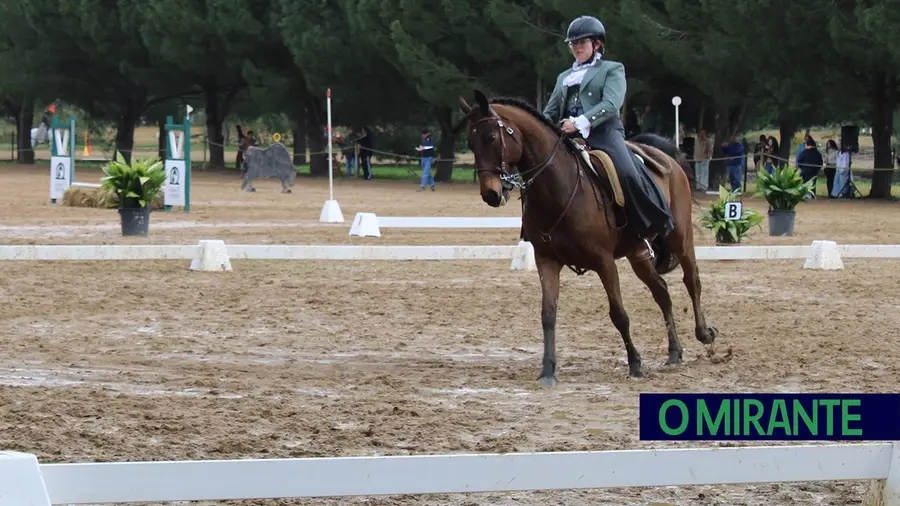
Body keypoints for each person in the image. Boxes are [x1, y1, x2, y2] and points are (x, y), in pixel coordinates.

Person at [542, 15, 674, 261]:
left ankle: (644, 232)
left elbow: (611, 104)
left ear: (597, 44)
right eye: (573, 43)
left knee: (626, 171)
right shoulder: (563, 77)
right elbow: (550, 112)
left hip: (603, 133)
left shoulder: (612, 69)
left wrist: (579, 122)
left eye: (582, 42)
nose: (577, 47)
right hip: (566, 135)